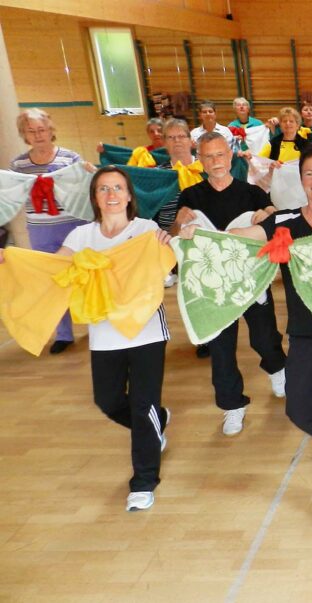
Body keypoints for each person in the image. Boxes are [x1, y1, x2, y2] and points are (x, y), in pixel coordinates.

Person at [181, 144, 312, 526]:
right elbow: (239, 237)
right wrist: (198, 234)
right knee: (298, 406)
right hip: (304, 330)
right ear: (301, 179)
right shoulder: (285, 220)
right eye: (309, 174)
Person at [22, 166, 171, 510]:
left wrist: (170, 240)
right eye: (104, 189)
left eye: (118, 187)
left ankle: (144, 482)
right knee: (108, 401)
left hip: (146, 331)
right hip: (104, 335)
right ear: (95, 197)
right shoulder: (81, 236)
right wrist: (13, 260)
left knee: (142, 405)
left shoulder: (145, 230)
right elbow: (54, 268)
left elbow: (166, 260)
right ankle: (157, 422)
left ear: (129, 196)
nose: (112, 194)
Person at [172, 133, 286, 436]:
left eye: (220, 154)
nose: (216, 161)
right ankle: (232, 405)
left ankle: (277, 368)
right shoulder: (191, 195)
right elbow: (176, 232)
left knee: (264, 337)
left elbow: (274, 217)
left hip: (250, 278)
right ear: (200, 160)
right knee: (221, 348)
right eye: (208, 156)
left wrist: (266, 213)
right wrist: (180, 222)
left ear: (230, 156)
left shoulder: (251, 192)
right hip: (214, 285)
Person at [10, 108, 91, 354]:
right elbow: (14, 195)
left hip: (73, 225)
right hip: (40, 229)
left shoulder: (70, 158)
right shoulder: (19, 164)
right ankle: (64, 334)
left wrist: (89, 172)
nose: (38, 135)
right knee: (52, 281)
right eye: (31, 131)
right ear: (24, 134)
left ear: (50, 130)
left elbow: (85, 189)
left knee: (84, 276)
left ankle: (95, 323)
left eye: (42, 130)